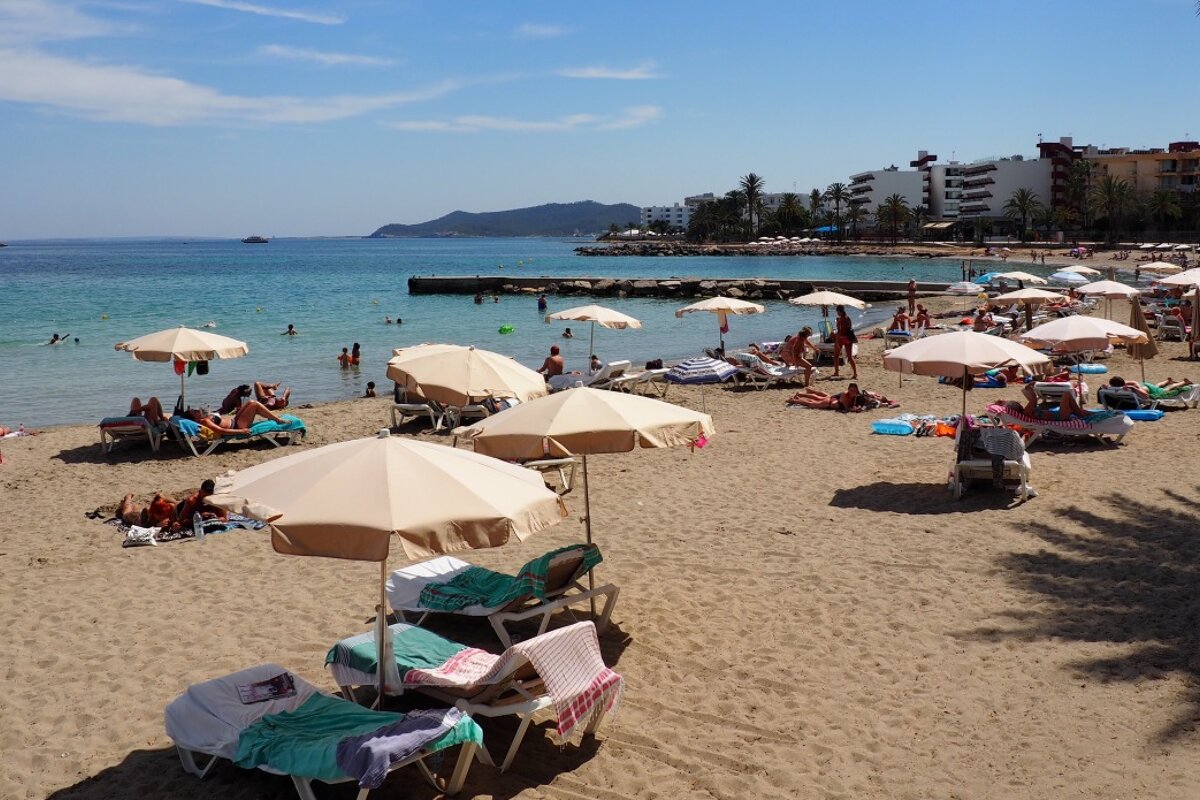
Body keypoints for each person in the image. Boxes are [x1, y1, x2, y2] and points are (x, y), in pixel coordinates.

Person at [184, 399, 287, 437]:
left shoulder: (204, 419)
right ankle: (277, 420)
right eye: (194, 411)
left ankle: (272, 417)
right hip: (238, 426)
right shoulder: (205, 421)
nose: (196, 410)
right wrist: (241, 431)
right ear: (194, 418)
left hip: (234, 420)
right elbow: (222, 431)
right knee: (255, 405)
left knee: (250, 402)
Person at [1008, 382, 1085, 421]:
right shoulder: (1027, 411)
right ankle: (1081, 416)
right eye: (1016, 403)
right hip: (1060, 416)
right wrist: (1030, 388)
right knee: (1066, 394)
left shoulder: (1026, 413)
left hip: (1060, 415)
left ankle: (1082, 414)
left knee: (1080, 410)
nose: (1017, 402)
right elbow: (1034, 399)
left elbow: (1033, 401)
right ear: (1017, 407)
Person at [832, 305, 858, 380]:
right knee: (850, 357)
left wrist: (836, 342)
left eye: (837, 312)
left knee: (836, 356)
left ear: (839, 311)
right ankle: (855, 373)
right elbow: (849, 328)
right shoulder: (848, 318)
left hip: (841, 338)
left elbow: (839, 332)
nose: (837, 313)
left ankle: (837, 372)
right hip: (848, 338)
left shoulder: (840, 320)